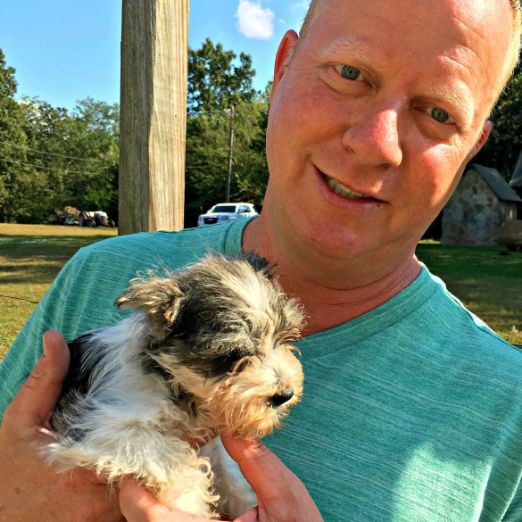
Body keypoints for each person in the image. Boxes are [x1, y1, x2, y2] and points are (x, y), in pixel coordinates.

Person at [1, 0, 521, 520]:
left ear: (474, 143)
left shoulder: (509, 410)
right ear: (282, 70)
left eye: (438, 112)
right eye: (349, 72)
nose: (375, 145)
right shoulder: (92, 277)